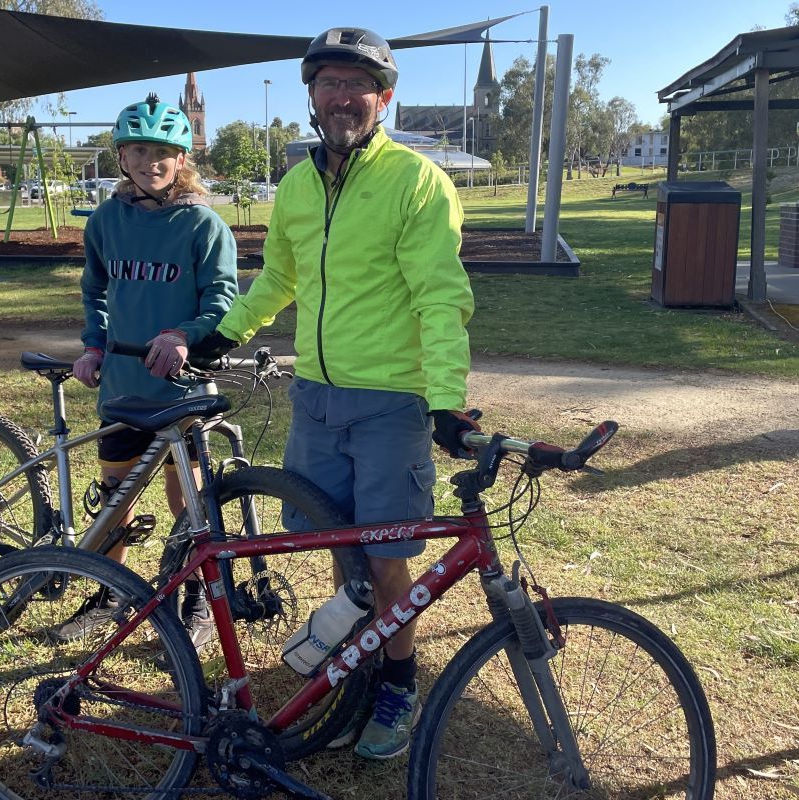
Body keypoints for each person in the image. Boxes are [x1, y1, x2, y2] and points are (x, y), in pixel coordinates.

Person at [204, 27, 478, 760]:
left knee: (385, 559)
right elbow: (279, 281)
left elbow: (439, 298)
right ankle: (351, 665)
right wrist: (221, 335)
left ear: (383, 98)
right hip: (316, 399)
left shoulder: (417, 183)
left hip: (389, 403)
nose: (341, 96)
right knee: (336, 546)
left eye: (357, 84)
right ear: (312, 95)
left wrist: (446, 401)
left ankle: (397, 681)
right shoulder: (296, 184)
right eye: (328, 82)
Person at [52, 94, 238, 644]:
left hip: (183, 390)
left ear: (182, 159)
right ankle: (112, 593)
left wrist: (186, 335)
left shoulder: (203, 225)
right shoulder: (107, 220)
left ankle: (196, 597)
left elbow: (222, 299)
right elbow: (96, 293)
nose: (149, 161)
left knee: (190, 499)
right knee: (116, 496)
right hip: (125, 386)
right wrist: (93, 347)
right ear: (121, 156)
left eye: (163, 151)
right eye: (138, 150)